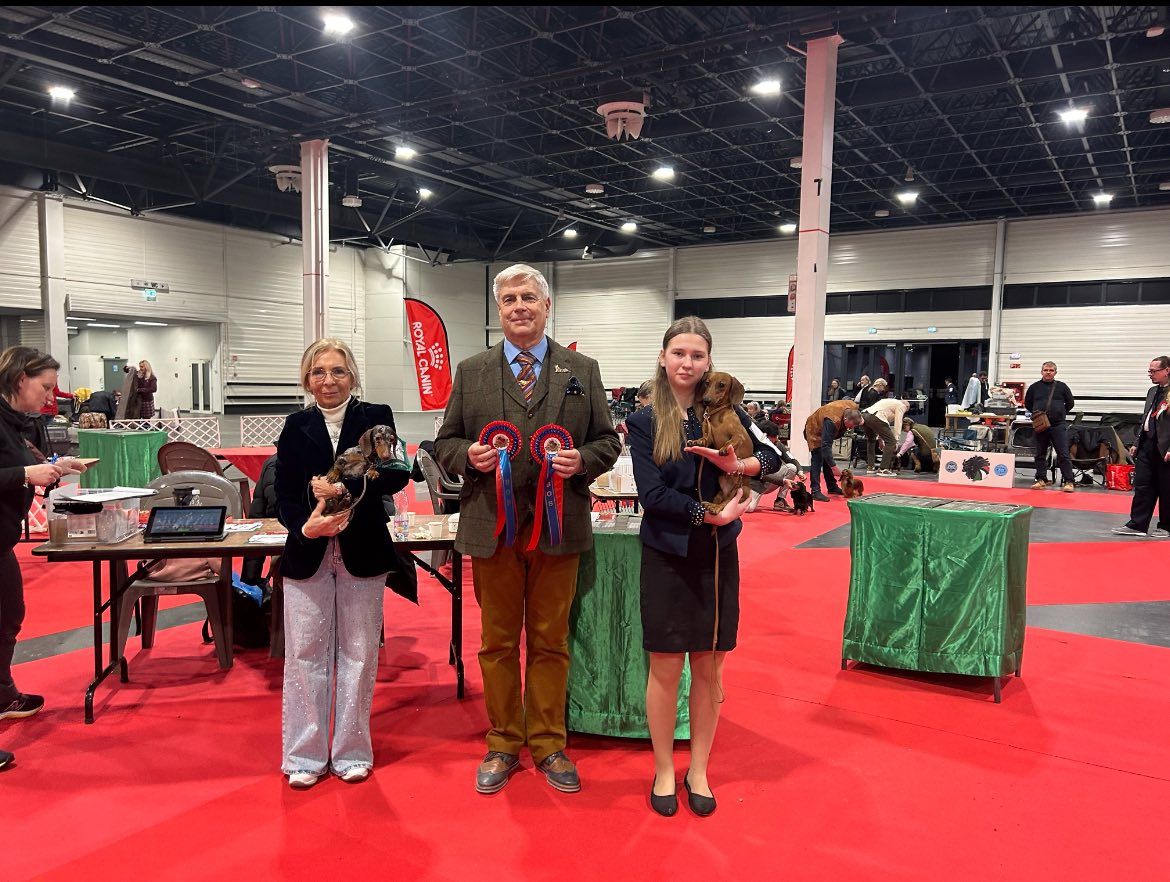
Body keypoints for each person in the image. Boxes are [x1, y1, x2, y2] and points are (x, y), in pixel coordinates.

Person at [435, 264, 621, 796]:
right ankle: (502, 742)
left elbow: (607, 441)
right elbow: (444, 441)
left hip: (559, 530)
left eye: (528, 298)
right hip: (491, 529)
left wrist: (582, 461)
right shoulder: (471, 371)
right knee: (496, 642)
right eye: (509, 299)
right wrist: (466, 456)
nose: (519, 306)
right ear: (499, 310)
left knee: (550, 641)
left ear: (546, 306)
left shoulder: (582, 369)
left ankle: (548, 742)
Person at [626, 316, 779, 818]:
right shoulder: (644, 421)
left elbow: (777, 461)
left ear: (709, 360)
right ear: (663, 357)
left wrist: (740, 467)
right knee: (666, 667)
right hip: (667, 555)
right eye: (679, 353)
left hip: (717, 556)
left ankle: (699, 770)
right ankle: (663, 768)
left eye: (697, 355)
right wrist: (708, 515)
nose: (687, 363)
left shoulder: (730, 410)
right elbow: (652, 495)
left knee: (710, 667)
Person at [273, 338, 412, 789]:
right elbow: (283, 492)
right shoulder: (296, 425)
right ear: (306, 378)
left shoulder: (376, 416)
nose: (328, 380)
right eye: (319, 371)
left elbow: (396, 474)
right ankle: (304, 756)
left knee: (359, 653)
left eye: (338, 371)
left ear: (352, 376)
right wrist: (306, 526)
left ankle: (352, 752)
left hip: (363, 548)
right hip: (308, 550)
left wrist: (347, 484)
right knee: (304, 655)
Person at [0, 347, 87, 767]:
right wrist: (23, 474)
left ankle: (3, 696)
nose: (51, 397)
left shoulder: (14, 423)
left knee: (8, 617)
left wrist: (55, 466)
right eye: (46, 387)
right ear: (21, 379)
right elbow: (14, 471)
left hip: (2, 541)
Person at [1112, 356, 1170, 538]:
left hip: (1165, 447)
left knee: (1166, 487)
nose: (1150, 374)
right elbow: (1146, 418)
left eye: (1153, 371)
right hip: (1147, 445)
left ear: (1167, 370)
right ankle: (1138, 525)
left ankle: (1166, 527)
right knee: (1143, 485)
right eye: (1149, 371)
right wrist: (1137, 443)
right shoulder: (1152, 391)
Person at [1024, 361, 1076, 493]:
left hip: (1058, 425)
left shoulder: (1062, 387)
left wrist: (1060, 413)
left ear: (1055, 372)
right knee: (1040, 453)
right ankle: (1041, 479)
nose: (1048, 372)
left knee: (1063, 454)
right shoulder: (1034, 387)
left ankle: (1069, 481)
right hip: (1040, 425)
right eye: (1046, 370)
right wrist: (1039, 415)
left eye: (1051, 370)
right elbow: (1028, 403)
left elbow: (1070, 403)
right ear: (1041, 372)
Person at [803, 401, 864, 502]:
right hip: (814, 430)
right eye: (851, 425)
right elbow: (825, 446)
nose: (851, 428)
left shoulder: (853, 407)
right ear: (846, 419)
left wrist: (861, 421)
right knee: (817, 459)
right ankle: (815, 491)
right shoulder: (832, 421)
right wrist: (834, 467)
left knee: (827, 458)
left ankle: (832, 486)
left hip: (826, 427)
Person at [746, 421, 801, 512]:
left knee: (792, 468)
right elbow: (759, 472)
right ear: (765, 436)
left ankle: (780, 500)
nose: (776, 439)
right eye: (774, 436)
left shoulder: (777, 444)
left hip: (769, 481)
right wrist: (782, 481)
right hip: (754, 483)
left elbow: (791, 459)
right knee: (749, 508)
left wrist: (800, 471)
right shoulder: (750, 446)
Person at [862, 396, 909, 475]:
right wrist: (896, 440)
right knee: (891, 442)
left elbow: (882, 426)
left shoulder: (889, 401)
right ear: (906, 407)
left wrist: (880, 439)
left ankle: (870, 467)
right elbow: (898, 422)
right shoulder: (902, 405)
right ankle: (883, 469)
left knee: (871, 440)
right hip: (876, 417)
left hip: (864, 415)